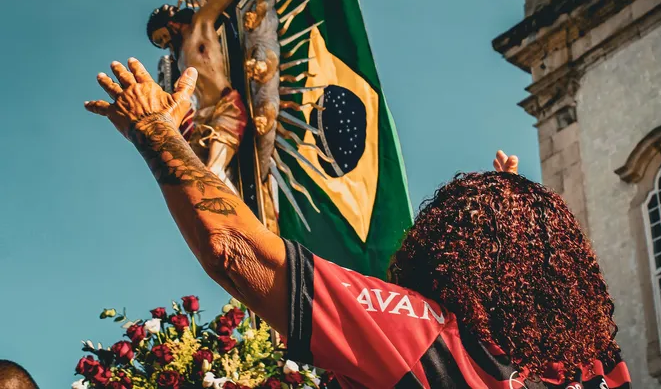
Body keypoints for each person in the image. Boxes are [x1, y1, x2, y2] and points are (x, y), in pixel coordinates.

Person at [85, 61, 631, 388]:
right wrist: (512, 224)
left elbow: (236, 250)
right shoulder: (598, 368)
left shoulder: (428, 341)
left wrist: (156, 131)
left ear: (446, 255)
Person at [146, 0, 283, 193]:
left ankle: (236, 215)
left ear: (171, 22)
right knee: (190, 181)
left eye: (163, 36)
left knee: (214, 173)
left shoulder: (202, 22)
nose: (165, 44)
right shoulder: (178, 58)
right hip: (202, 121)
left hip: (225, 109)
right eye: (160, 43)